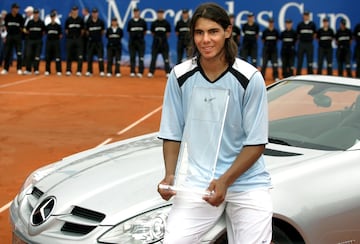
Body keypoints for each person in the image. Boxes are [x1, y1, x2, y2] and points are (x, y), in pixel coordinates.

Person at [157, 3, 272, 244]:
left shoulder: (250, 78)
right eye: (199, 33)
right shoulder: (179, 76)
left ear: (228, 31)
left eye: (213, 31)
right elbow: (172, 132)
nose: (205, 40)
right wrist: (170, 175)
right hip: (197, 183)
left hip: (247, 183)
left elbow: (256, 143)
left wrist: (225, 181)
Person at [1, 3, 24, 75]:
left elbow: (22, 28)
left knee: (19, 53)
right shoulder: (8, 16)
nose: (17, 10)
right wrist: (5, 36)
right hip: (9, 36)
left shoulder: (20, 17)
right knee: (7, 53)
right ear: (12, 9)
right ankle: (5, 69)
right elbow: (5, 27)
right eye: (16, 8)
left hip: (17, 37)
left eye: (18, 8)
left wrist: (19, 36)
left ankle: (19, 69)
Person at [148, 9, 171, 78]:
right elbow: (152, 33)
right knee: (153, 58)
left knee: (166, 59)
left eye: (161, 13)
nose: (160, 15)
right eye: (159, 13)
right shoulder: (154, 23)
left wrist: (163, 39)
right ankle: (151, 72)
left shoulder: (166, 23)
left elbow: (168, 34)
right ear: (157, 14)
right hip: (155, 44)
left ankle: (167, 72)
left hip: (164, 44)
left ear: (163, 14)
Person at [23, 8, 45, 75]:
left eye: (37, 13)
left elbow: (44, 31)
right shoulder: (30, 22)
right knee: (28, 55)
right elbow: (26, 30)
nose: (36, 15)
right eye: (35, 14)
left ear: (38, 14)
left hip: (38, 41)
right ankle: (28, 70)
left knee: (37, 55)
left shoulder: (41, 22)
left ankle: (36, 69)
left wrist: (39, 36)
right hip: (30, 41)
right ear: (33, 14)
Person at [85, 7, 105, 77]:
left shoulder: (101, 22)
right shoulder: (88, 22)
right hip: (91, 42)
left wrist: (97, 37)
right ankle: (89, 71)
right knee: (90, 57)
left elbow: (102, 32)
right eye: (93, 13)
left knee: (100, 57)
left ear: (98, 13)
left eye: (96, 13)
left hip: (98, 42)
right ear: (92, 14)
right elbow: (87, 32)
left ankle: (101, 71)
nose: (94, 14)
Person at [64, 5, 84, 76]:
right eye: (73, 10)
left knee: (80, 55)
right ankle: (68, 70)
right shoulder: (68, 20)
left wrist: (78, 37)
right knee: (69, 55)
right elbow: (66, 30)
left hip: (78, 39)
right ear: (72, 11)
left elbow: (82, 30)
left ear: (77, 11)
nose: (74, 11)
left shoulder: (80, 19)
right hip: (70, 39)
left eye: (76, 10)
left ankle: (79, 70)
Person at [127, 7, 147, 78]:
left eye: (137, 12)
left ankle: (140, 72)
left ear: (139, 12)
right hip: (132, 43)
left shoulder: (143, 22)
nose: (136, 13)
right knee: (132, 57)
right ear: (133, 13)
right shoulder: (130, 22)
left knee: (141, 57)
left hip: (140, 43)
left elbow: (145, 32)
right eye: (135, 12)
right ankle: (132, 71)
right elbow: (129, 32)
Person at [296, 11, 316, 75]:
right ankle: (298, 74)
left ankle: (310, 74)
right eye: (305, 15)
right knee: (300, 60)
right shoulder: (300, 25)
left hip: (309, 44)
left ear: (309, 16)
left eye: (307, 15)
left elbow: (315, 35)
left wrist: (309, 39)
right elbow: (298, 35)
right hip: (301, 44)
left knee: (310, 60)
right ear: (303, 16)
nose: (306, 16)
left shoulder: (312, 24)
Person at [44, 11, 62, 76]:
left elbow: (60, 35)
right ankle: (47, 70)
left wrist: (56, 40)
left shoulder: (58, 26)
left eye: (53, 17)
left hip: (56, 42)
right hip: (49, 42)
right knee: (48, 56)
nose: (52, 18)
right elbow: (45, 33)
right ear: (50, 18)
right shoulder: (48, 26)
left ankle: (59, 70)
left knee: (57, 57)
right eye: (51, 17)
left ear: (55, 17)